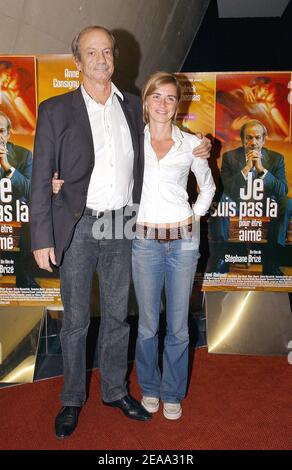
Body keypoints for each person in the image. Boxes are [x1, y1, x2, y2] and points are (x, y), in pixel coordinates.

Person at [31, 25, 212, 439]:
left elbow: (169, 141)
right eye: (92, 53)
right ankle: (72, 399)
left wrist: (199, 144)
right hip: (77, 224)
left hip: (122, 222)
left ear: (115, 58)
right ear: (77, 61)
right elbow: (41, 176)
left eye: (107, 52)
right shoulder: (55, 109)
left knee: (118, 316)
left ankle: (114, 390)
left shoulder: (133, 107)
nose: (101, 59)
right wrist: (42, 235)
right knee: (75, 320)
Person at [130, 72, 215, 420]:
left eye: (170, 98)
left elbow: (207, 187)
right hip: (144, 242)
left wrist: (193, 218)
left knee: (178, 326)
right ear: (147, 101)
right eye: (157, 96)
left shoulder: (191, 144)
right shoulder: (132, 141)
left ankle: (172, 392)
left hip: (182, 243)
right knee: (148, 324)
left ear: (178, 105)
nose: (163, 104)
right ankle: (149, 387)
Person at [209, 119, 288, 276]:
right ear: (243, 139)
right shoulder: (230, 157)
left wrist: (261, 169)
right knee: (221, 202)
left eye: (257, 138)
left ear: (264, 140)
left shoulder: (275, 158)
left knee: (288, 203)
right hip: (238, 203)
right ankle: (221, 259)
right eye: (249, 137)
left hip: (264, 205)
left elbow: (282, 190)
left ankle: (271, 262)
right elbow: (227, 189)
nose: (253, 142)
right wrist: (246, 169)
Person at [0, 111, 37, 288]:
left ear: (8, 133)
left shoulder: (24, 155)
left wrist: (7, 166)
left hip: (15, 212)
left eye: (1, 131)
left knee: (31, 217)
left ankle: (24, 278)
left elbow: (31, 191)